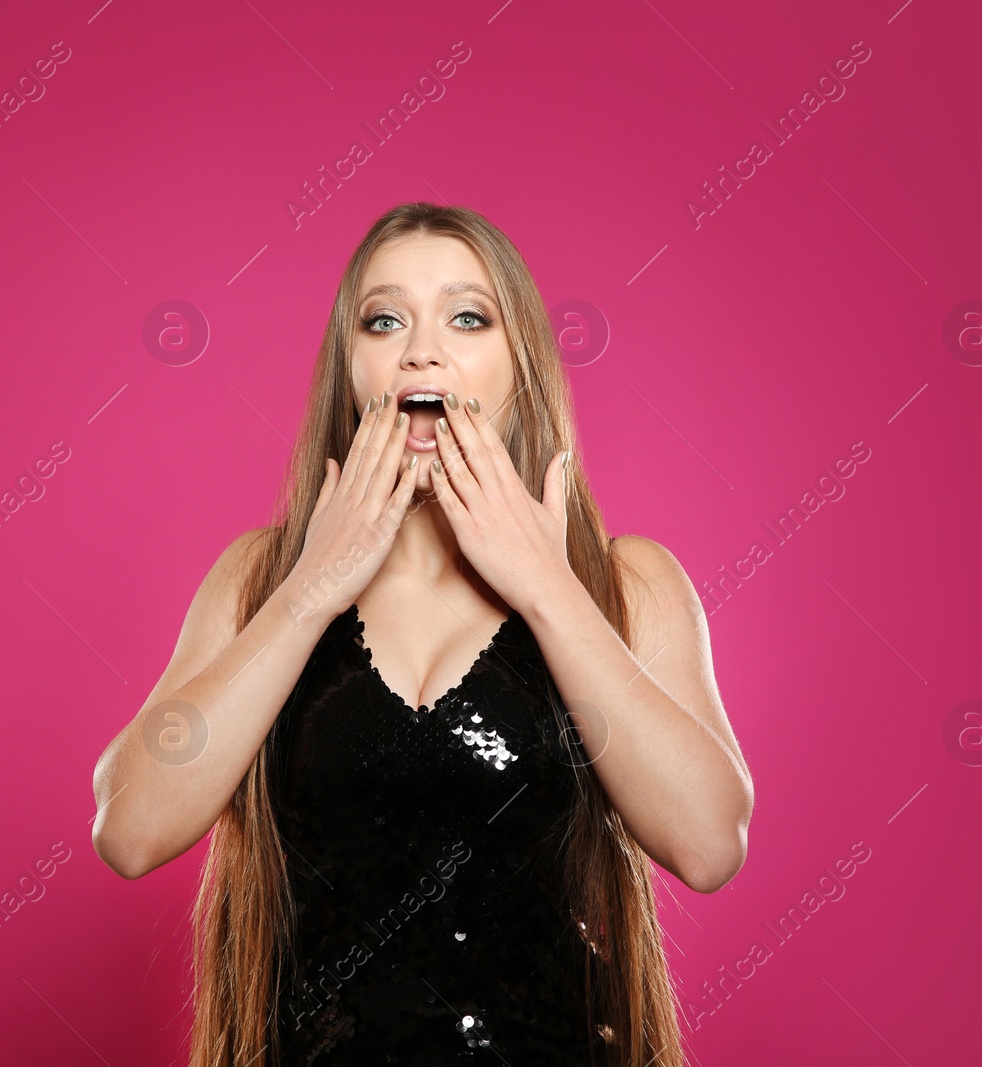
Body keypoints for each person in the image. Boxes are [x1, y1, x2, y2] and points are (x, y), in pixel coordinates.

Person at [91, 202, 754, 1066]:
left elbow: (709, 843)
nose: (421, 350)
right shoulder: (260, 577)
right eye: (385, 319)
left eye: (468, 317)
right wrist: (311, 590)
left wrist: (548, 592)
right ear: (353, 367)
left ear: (522, 367)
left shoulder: (625, 584)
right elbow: (129, 826)